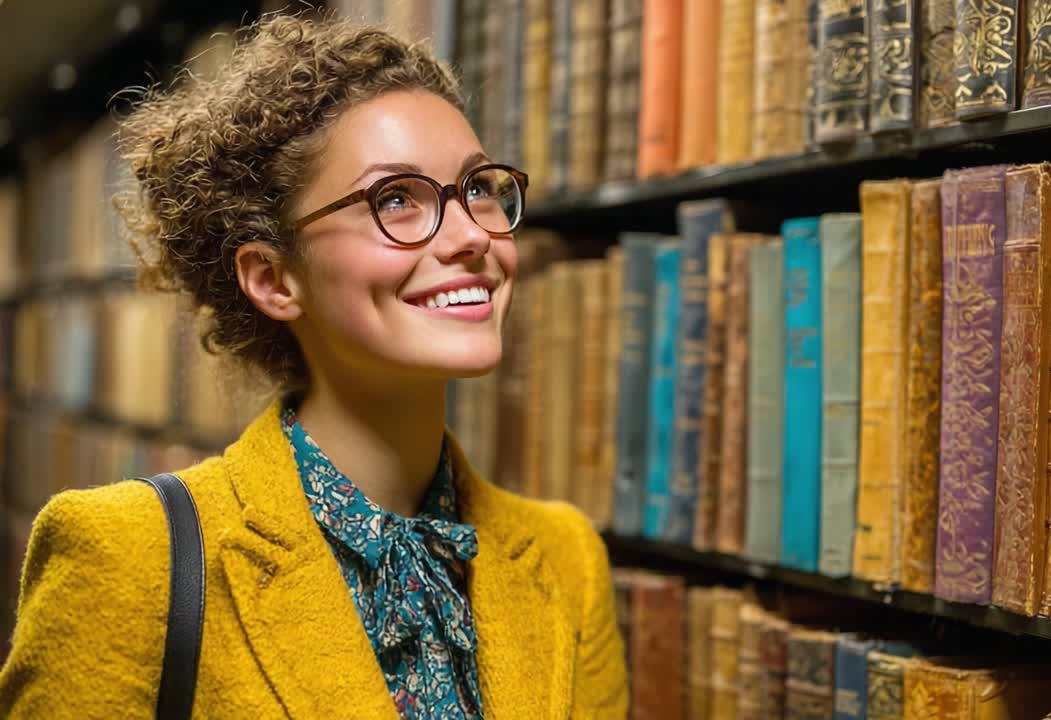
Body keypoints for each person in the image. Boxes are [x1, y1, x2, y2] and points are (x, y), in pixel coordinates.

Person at [0, 14, 626, 719]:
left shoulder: (567, 559)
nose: (471, 235)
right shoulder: (126, 557)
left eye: (478, 188)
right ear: (272, 279)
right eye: (396, 199)